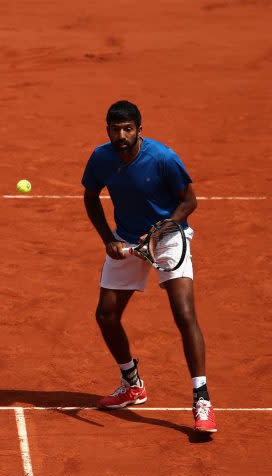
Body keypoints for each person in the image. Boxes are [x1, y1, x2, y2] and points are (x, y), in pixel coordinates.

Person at [82, 100, 217, 433]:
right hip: (128, 239)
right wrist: (107, 240)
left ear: (140, 130)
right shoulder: (101, 158)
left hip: (169, 238)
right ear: (108, 130)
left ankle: (202, 398)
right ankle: (132, 382)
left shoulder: (163, 158)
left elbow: (190, 201)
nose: (121, 135)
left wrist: (164, 227)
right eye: (115, 129)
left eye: (128, 129)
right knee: (106, 314)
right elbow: (90, 196)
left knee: (184, 313)